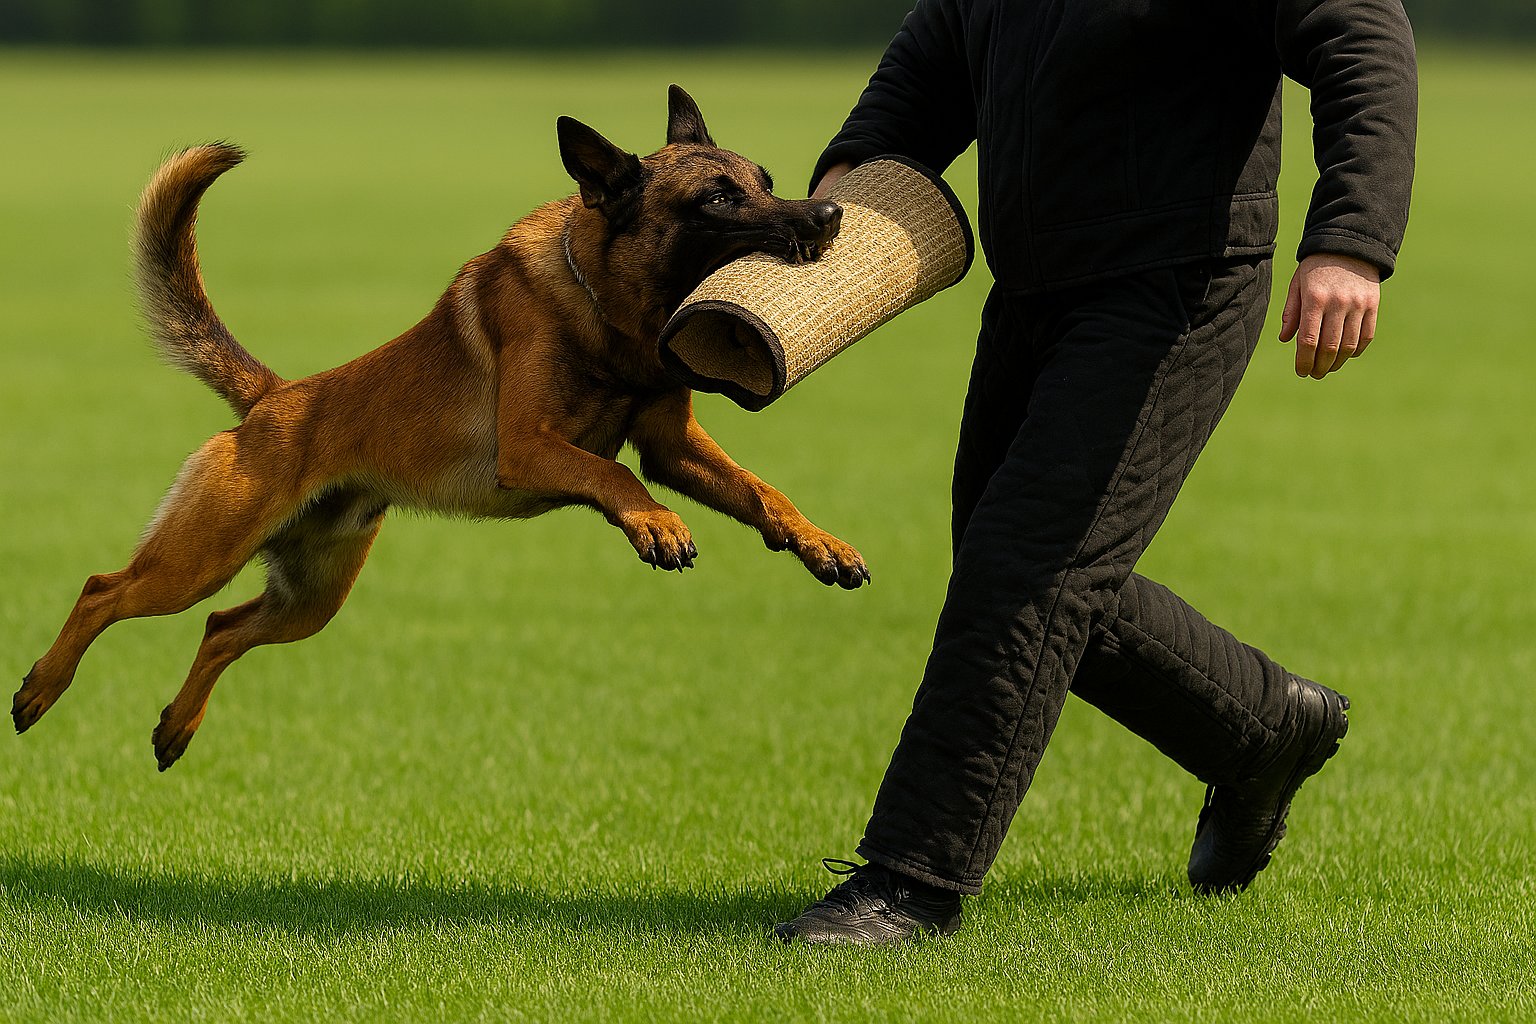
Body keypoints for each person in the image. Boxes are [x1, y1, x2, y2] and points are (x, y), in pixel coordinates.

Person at [774, 0, 1417, 945]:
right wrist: (864, 157)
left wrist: (1351, 237)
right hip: (1037, 286)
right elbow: (947, 40)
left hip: (1175, 284)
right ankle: (1263, 731)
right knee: (1026, 565)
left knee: (1028, 572)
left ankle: (911, 884)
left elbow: (1359, 34)